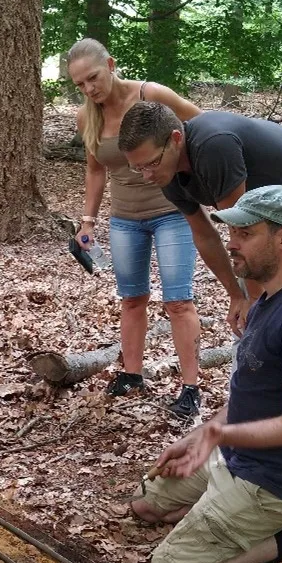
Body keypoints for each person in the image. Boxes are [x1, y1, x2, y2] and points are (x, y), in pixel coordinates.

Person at [129, 186, 282, 563]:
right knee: (146, 506)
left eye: (245, 235)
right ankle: (216, 510)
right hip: (239, 454)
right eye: (233, 234)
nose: (231, 245)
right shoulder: (269, 297)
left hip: (280, 478)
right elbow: (257, 394)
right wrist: (200, 435)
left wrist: (216, 434)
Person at [117, 101, 282, 334]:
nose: (147, 176)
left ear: (176, 139)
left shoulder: (213, 147)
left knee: (275, 302)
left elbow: (241, 229)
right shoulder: (167, 173)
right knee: (250, 312)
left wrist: (255, 298)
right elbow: (205, 235)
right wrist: (237, 295)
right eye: (138, 168)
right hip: (264, 215)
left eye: (152, 163)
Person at [66, 38, 205, 420]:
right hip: (125, 219)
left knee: (178, 301)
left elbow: (204, 126)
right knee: (132, 299)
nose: (89, 89)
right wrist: (87, 222)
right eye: (79, 85)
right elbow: (95, 171)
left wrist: (198, 182)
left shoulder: (151, 95)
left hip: (172, 211)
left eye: (92, 78)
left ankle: (191, 387)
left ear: (110, 65)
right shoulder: (87, 117)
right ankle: (132, 374)